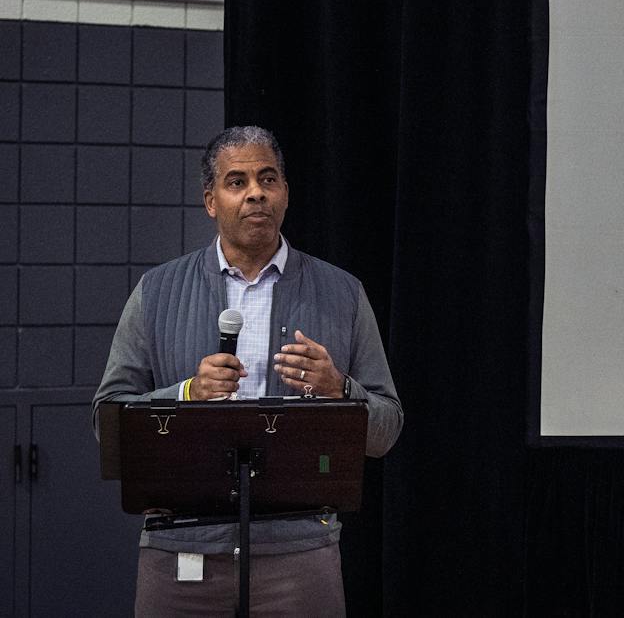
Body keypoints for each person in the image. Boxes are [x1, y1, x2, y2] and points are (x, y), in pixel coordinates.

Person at [93, 125, 403, 615]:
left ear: (285, 193)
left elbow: (386, 428)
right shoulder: (156, 291)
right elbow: (108, 421)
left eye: (267, 178)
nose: (255, 192)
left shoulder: (343, 293)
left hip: (300, 555)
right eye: (236, 181)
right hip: (184, 551)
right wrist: (188, 393)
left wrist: (338, 388)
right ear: (211, 201)